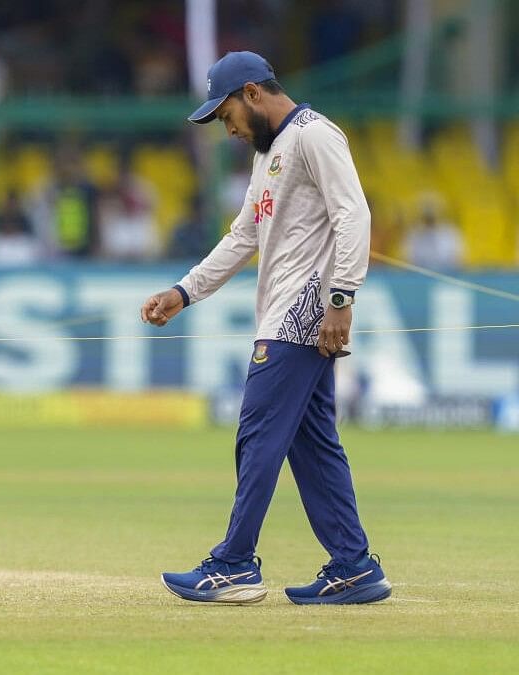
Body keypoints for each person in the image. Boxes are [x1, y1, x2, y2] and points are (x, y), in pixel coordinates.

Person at [141, 52, 391, 606]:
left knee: (258, 434)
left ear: (252, 93)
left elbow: (353, 214)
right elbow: (242, 237)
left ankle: (234, 564)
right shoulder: (270, 152)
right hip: (283, 309)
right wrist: (184, 292)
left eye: (225, 113)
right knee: (312, 443)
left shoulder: (314, 135)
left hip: (303, 310)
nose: (225, 128)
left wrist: (341, 298)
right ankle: (353, 565)